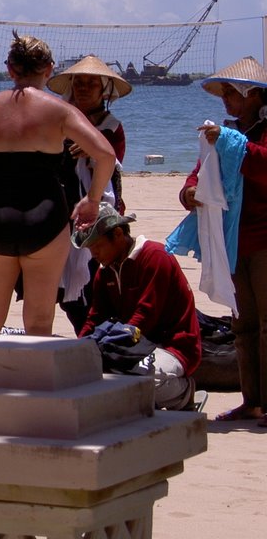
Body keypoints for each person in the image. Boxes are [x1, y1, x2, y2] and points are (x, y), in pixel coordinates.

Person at [0, 32, 117, 338]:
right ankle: (32, 384)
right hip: (45, 219)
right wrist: (91, 198)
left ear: (10, 69)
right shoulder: (59, 110)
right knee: (38, 320)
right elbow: (106, 155)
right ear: (49, 68)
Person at [178, 56, 267, 425]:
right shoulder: (226, 135)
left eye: (232, 92)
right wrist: (190, 193)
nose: (226, 98)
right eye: (225, 92)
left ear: (254, 95)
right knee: (242, 326)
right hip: (233, 241)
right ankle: (253, 400)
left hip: (263, 239)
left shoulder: (243, 136)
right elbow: (198, 174)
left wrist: (228, 142)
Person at [74, 203, 201, 410]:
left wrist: (118, 343)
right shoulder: (104, 271)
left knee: (145, 377)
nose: (94, 254)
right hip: (134, 345)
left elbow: (146, 314)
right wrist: (78, 348)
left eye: (96, 246)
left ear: (117, 234)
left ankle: (183, 393)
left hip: (173, 346)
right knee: (88, 371)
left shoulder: (155, 257)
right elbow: (95, 317)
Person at [47, 55, 132, 333]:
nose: (83, 88)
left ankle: (100, 337)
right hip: (61, 210)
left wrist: (95, 152)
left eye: (91, 84)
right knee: (65, 288)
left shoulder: (111, 127)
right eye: (79, 83)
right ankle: (86, 336)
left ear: (103, 90)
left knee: (97, 277)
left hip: (99, 212)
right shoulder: (59, 118)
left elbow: (114, 164)